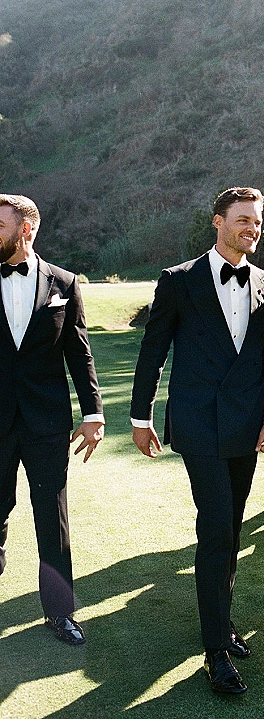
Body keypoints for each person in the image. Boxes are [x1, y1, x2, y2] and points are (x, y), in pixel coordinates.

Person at [130, 187, 264, 697]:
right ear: (217, 222)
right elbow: (153, 351)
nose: (252, 229)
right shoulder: (178, 280)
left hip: (245, 427)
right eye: (243, 220)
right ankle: (215, 649)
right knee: (217, 525)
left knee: (230, 529)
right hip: (197, 426)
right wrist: (140, 414)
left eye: (257, 222)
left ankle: (223, 626)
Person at [0, 194, 104, 645]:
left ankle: (59, 612)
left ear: (26, 230)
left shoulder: (64, 282)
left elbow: (79, 353)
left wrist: (94, 412)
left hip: (46, 422)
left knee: (51, 515)